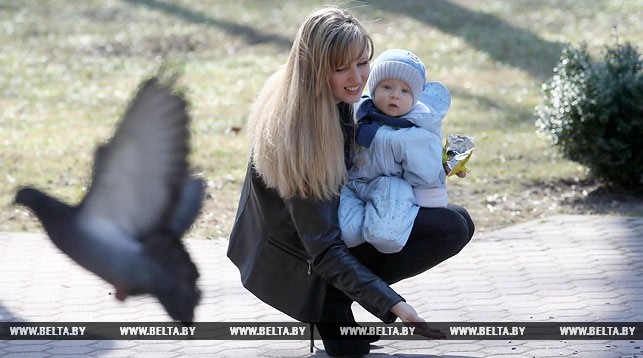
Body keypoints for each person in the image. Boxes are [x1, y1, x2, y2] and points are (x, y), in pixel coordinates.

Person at [227, 6, 474, 357]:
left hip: (332, 226)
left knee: (457, 220)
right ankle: (330, 306)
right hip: (298, 263)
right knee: (449, 227)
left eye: (362, 62)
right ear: (315, 69)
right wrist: (394, 306)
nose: (357, 77)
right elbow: (323, 248)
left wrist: (434, 167)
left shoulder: (329, 96)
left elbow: (365, 165)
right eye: (341, 68)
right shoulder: (301, 135)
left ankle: (337, 303)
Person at [339, 49, 456, 254]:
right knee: (346, 234)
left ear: (415, 98)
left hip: (391, 188)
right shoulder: (359, 115)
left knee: (385, 236)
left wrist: (429, 198)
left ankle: (388, 232)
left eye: (405, 91)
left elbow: (425, 171)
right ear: (373, 89)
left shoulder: (415, 135)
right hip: (354, 184)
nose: (395, 95)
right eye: (386, 87)